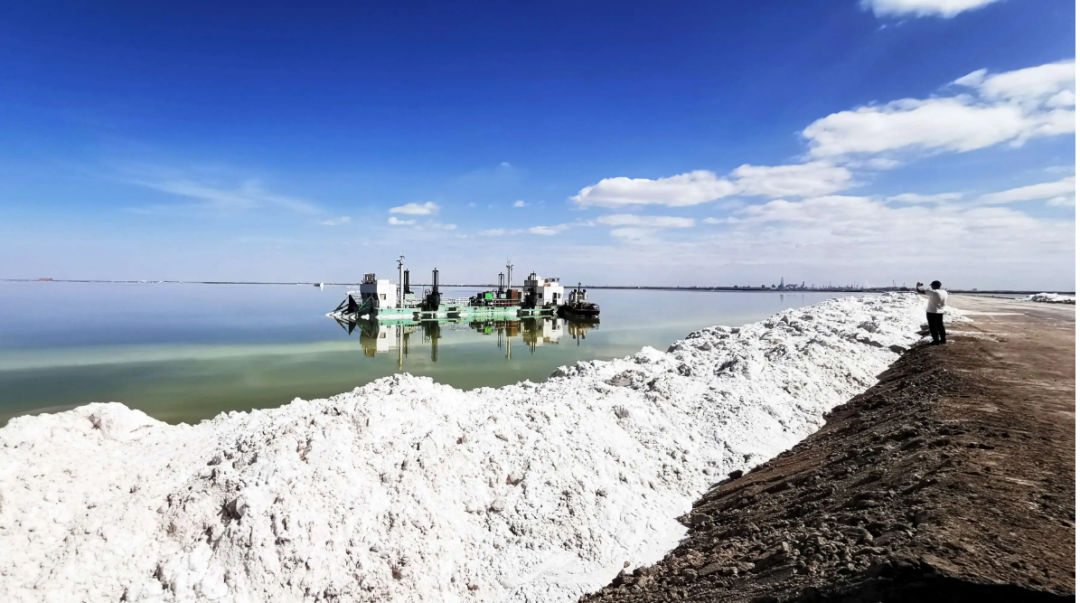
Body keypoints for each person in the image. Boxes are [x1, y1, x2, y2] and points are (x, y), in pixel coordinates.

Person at [916, 280, 948, 345]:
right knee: (940, 326)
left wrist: (918, 286)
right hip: (940, 311)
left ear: (934, 286)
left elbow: (919, 291)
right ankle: (943, 339)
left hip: (932, 312)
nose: (931, 287)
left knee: (933, 327)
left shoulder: (933, 292)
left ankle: (936, 341)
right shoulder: (944, 292)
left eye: (932, 286)